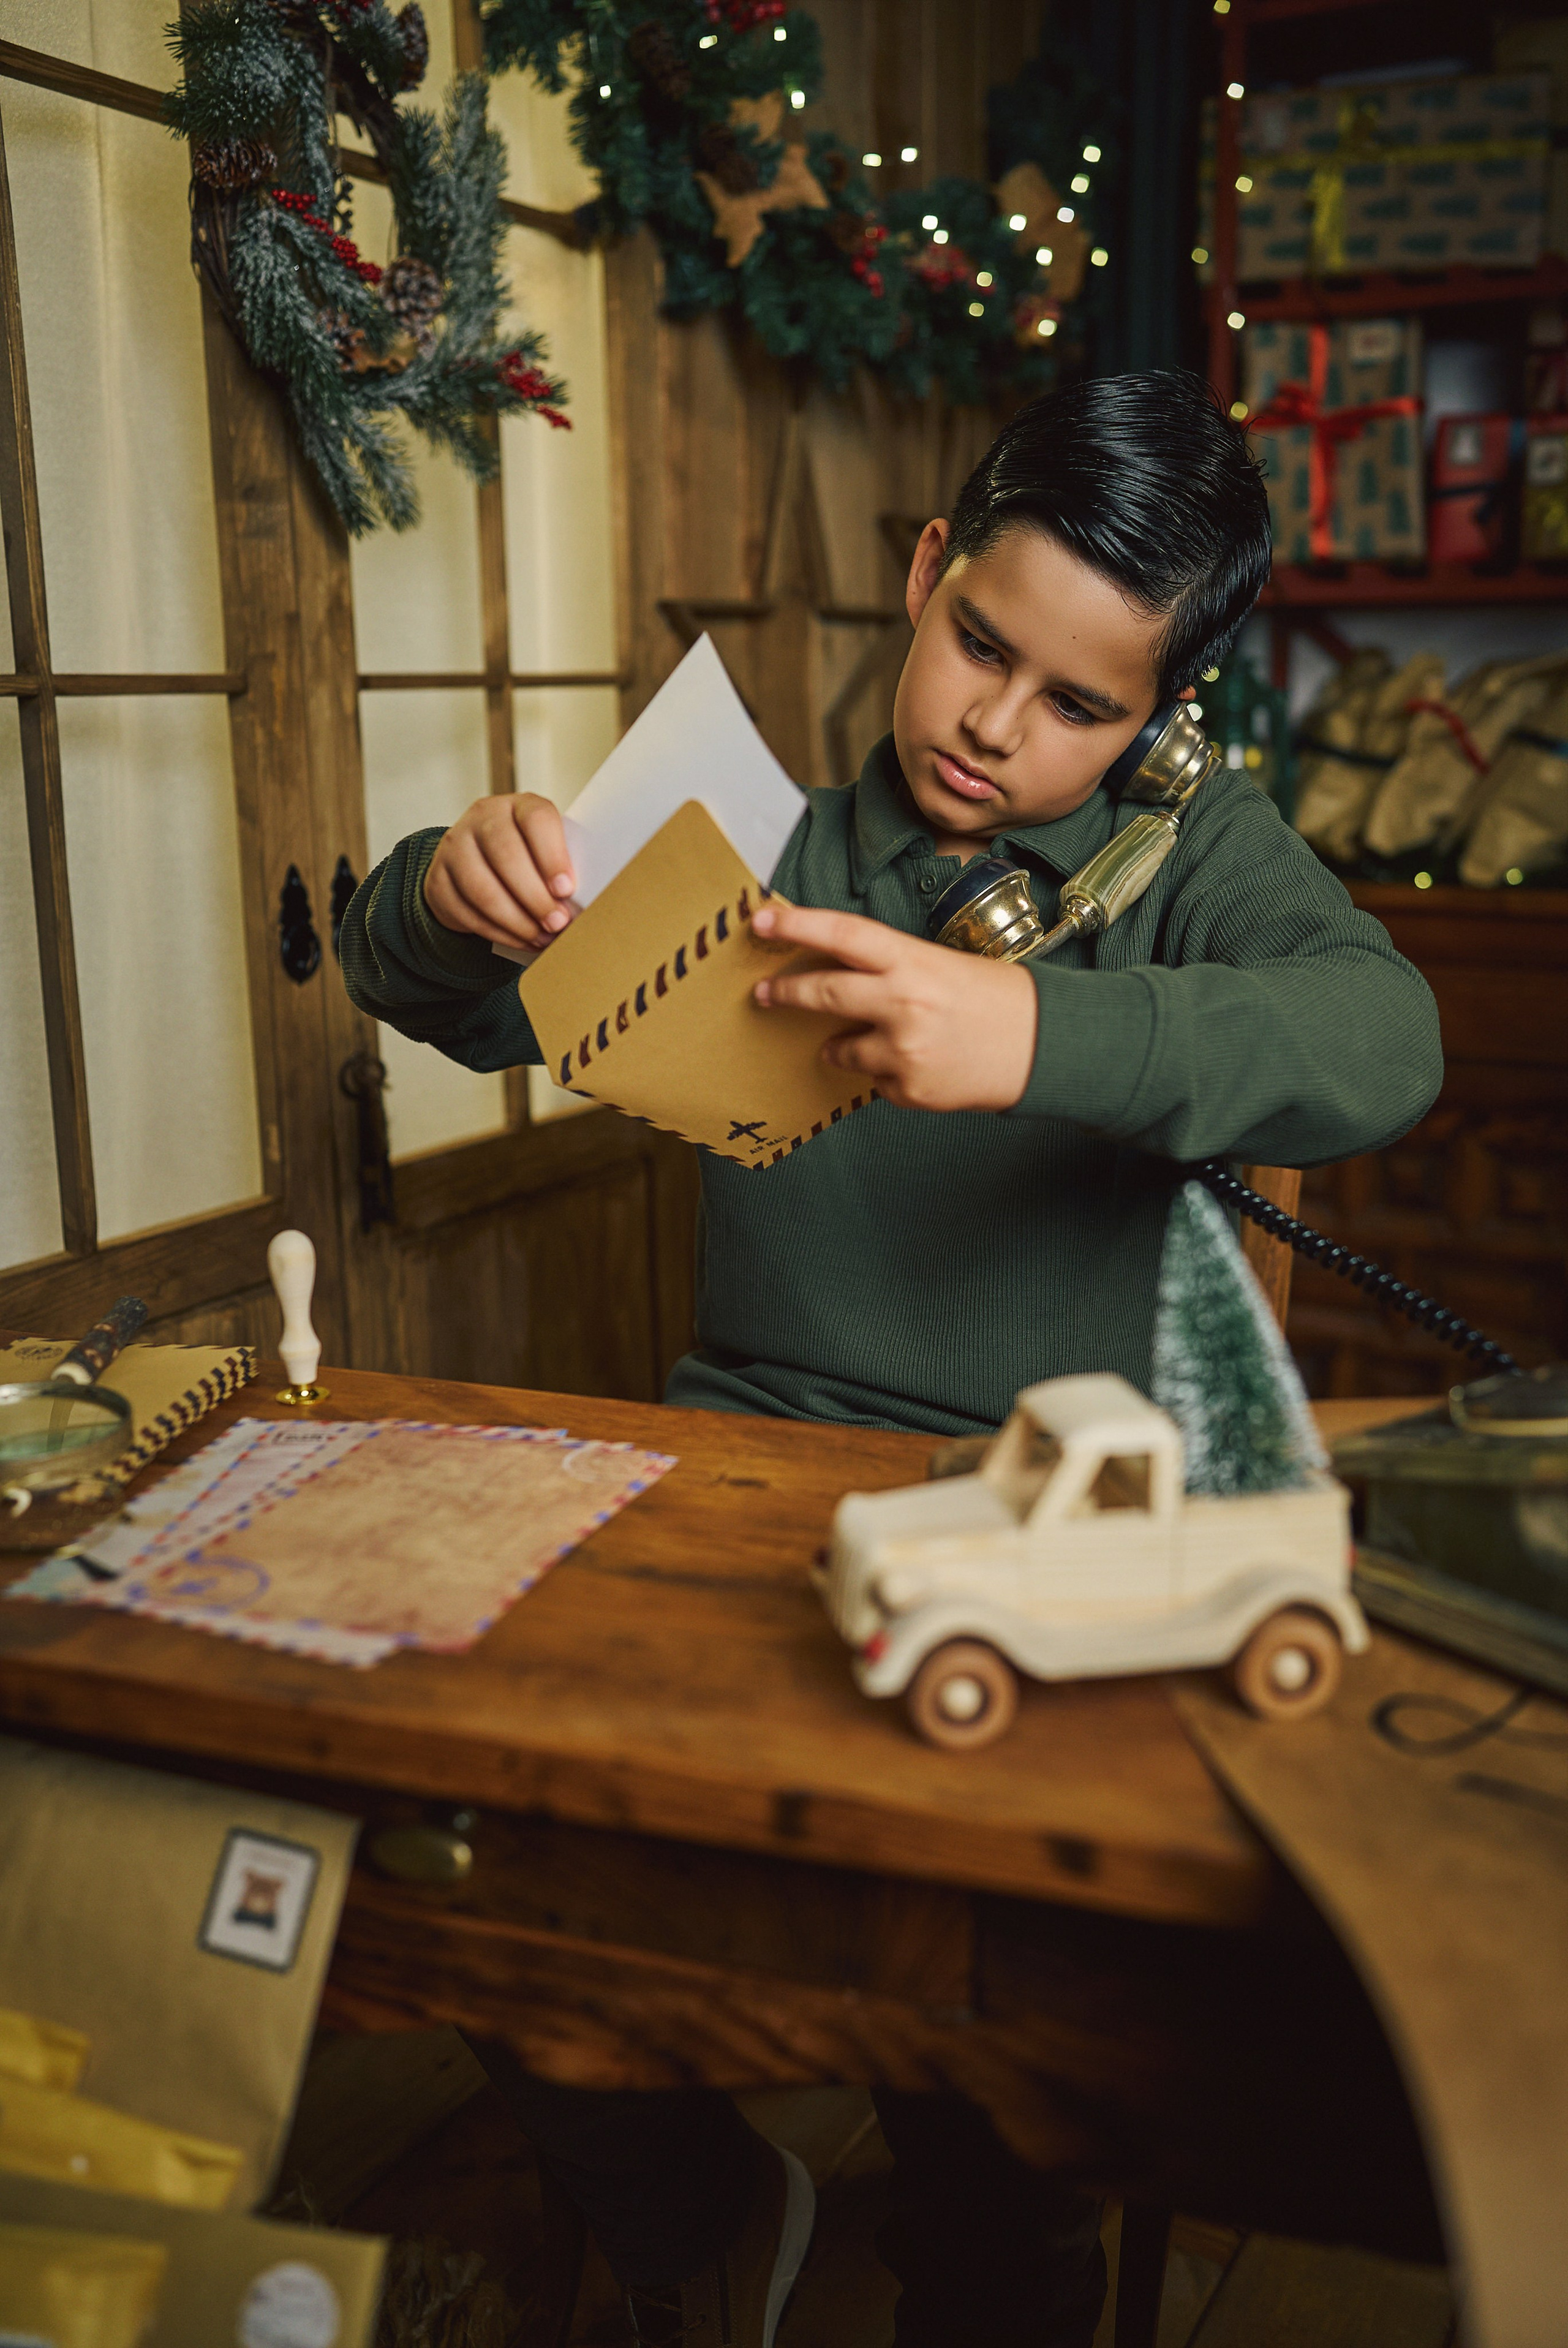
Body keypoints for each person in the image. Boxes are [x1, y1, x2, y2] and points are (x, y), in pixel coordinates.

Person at [339, 371, 1443, 2347]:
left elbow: (1387, 1041)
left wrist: (1033, 1039)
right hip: (732, 1500)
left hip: (1047, 1544)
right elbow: (425, 985)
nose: (997, 729)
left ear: (1162, 717)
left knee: (996, 2072)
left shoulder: (1194, 863)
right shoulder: (755, 844)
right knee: (465, 1883)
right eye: (978, 644)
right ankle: (699, 2202)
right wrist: (443, 889)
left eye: (1081, 706)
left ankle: (983, 2267)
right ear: (927, 575)